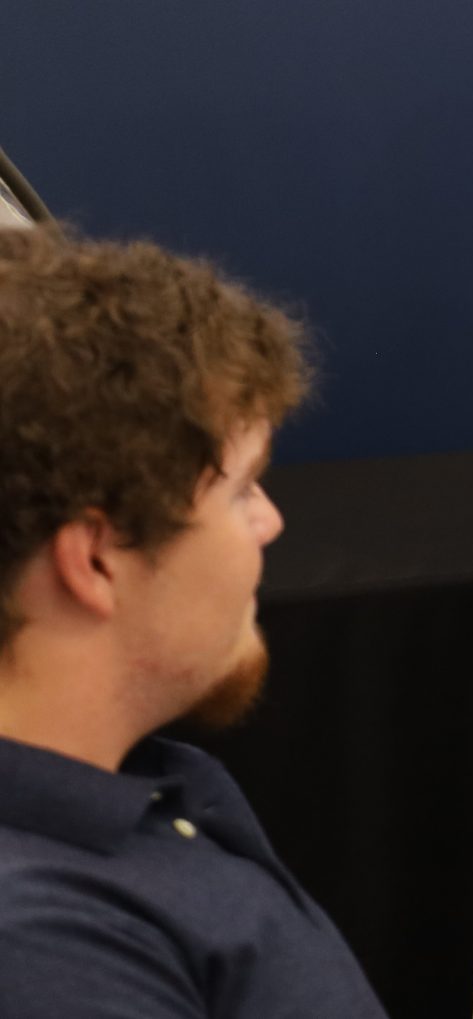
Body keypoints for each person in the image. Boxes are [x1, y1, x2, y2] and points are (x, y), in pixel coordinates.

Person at [0, 228, 388, 1019]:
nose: (270, 522)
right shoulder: (43, 950)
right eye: (241, 490)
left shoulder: (142, 785)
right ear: (98, 558)